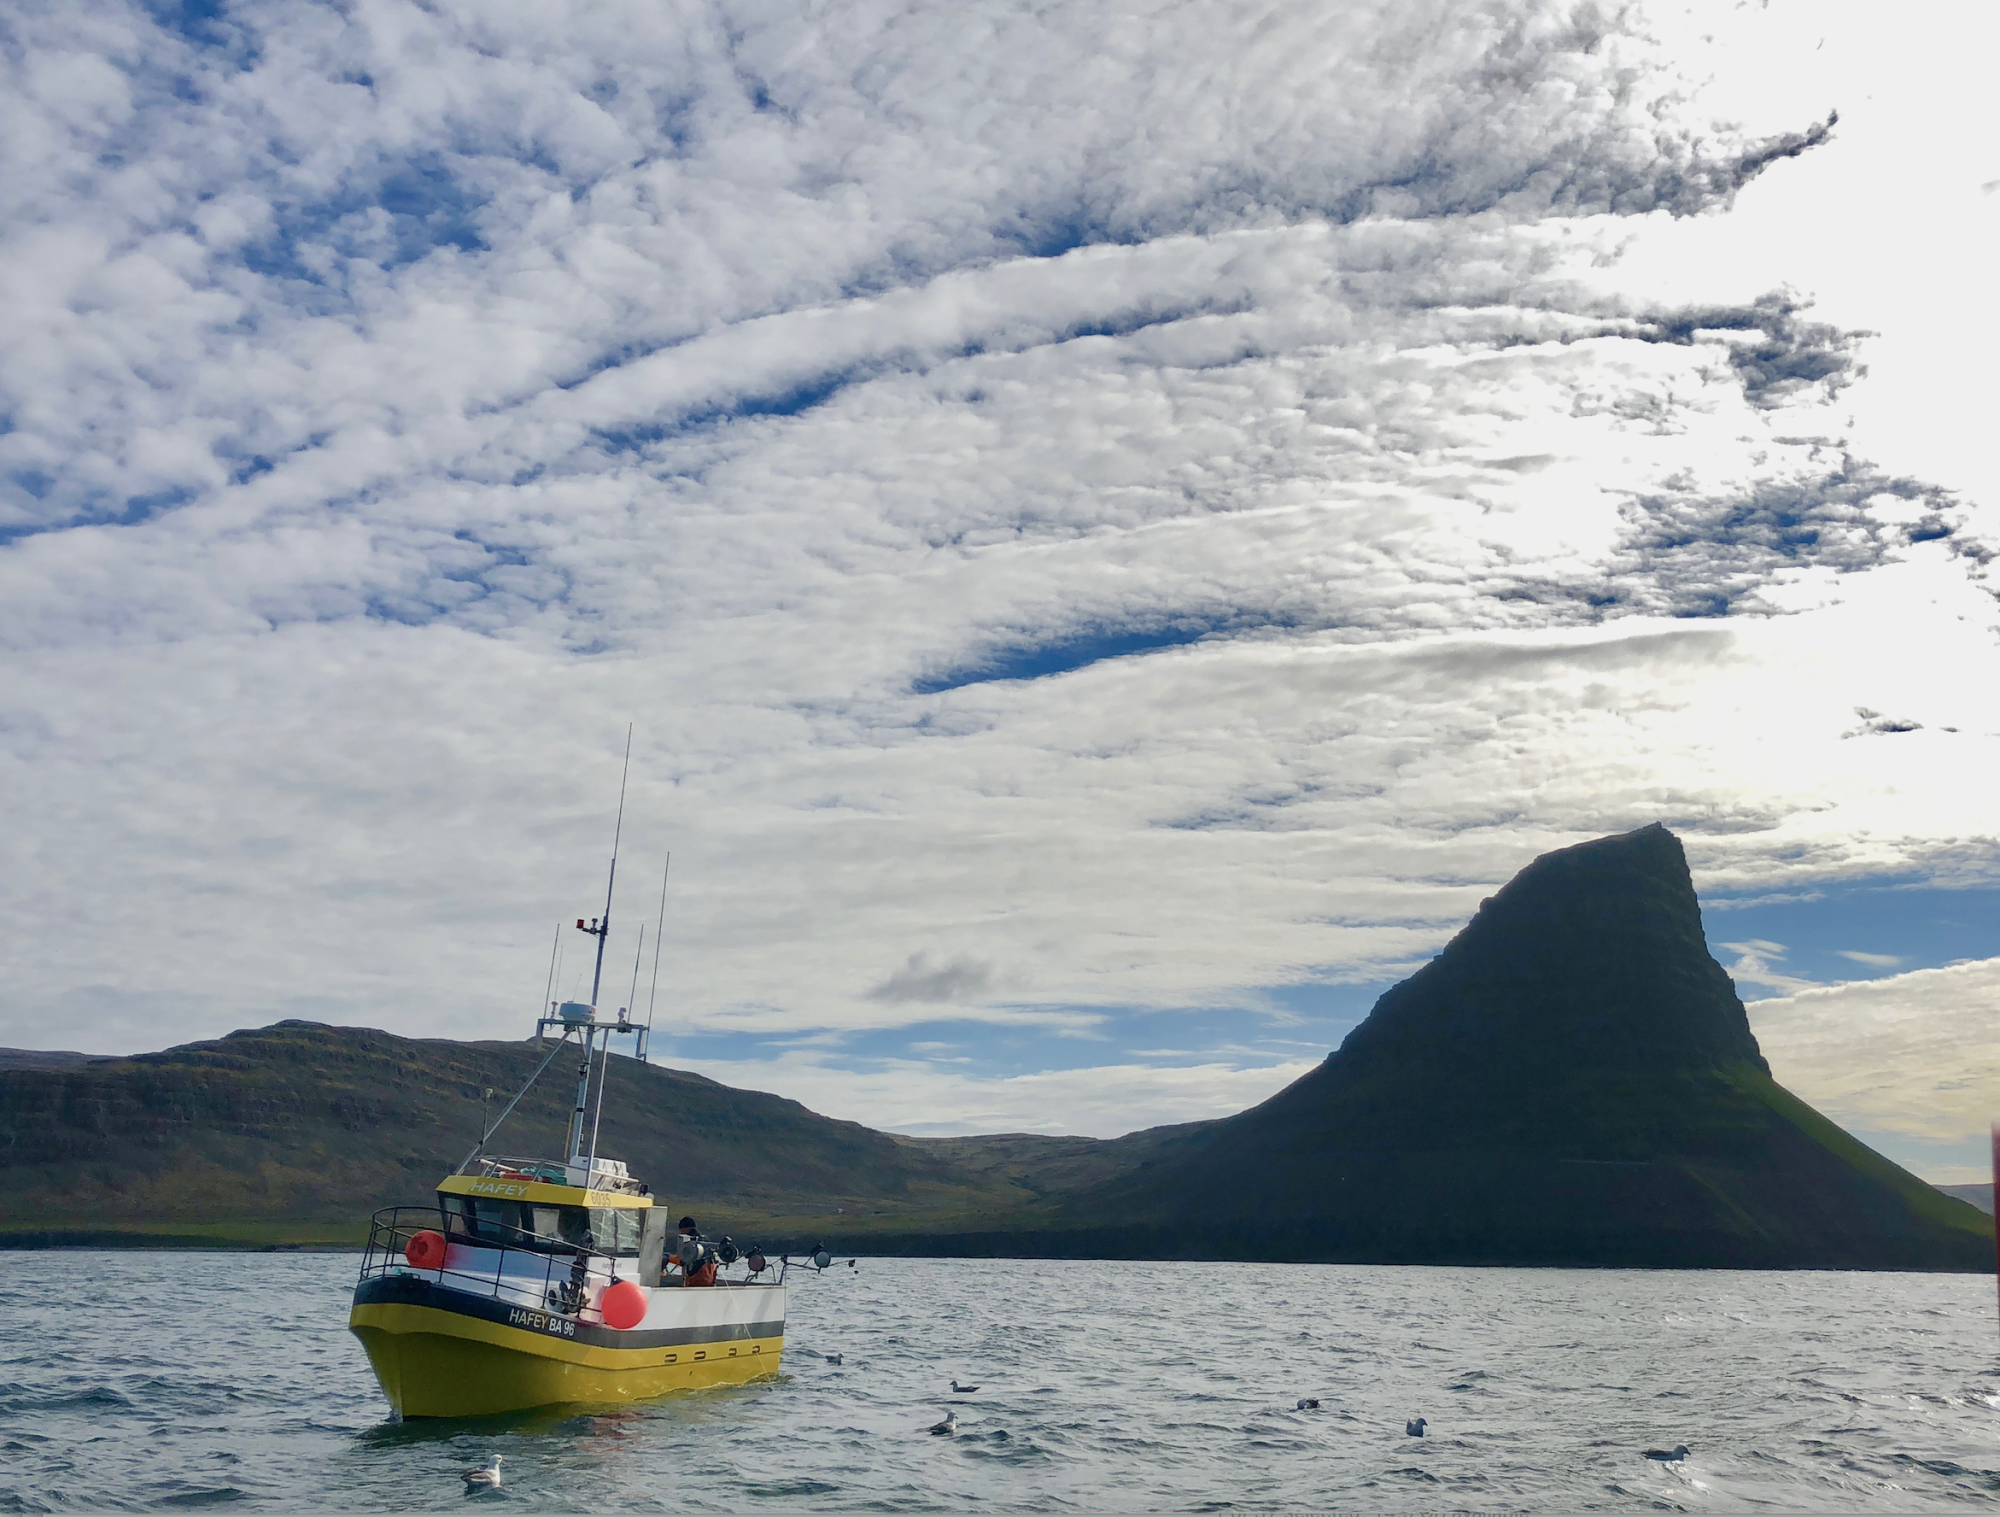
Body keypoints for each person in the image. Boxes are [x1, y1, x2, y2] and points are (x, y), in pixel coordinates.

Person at [674, 1215, 718, 1287]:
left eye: (681, 1229)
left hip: (697, 1277)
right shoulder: (705, 1239)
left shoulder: (690, 1241)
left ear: (686, 1228)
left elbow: (684, 1260)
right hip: (710, 1274)